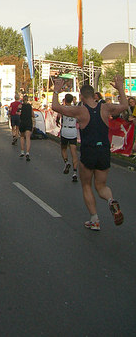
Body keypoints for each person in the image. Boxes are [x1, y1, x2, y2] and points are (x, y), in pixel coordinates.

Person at [52, 76, 128, 231]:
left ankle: (94, 219)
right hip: (104, 151)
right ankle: (111, 200)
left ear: (81, 96)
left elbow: (56, 107)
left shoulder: (80, 110)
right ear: (94, 95)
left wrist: (56, 90)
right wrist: (120, 87)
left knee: (86, 185)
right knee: (101, 186)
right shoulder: (105, 108)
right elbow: (125, 105)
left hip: (89, 151)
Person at [56, 93, 79, 182]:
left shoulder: (63, 108)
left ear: (65, 100)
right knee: (74, 152)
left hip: (65, 130)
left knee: (63, 148)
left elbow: (58, 117)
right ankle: (75, 172)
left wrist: (57, 122)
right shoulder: (75, 109)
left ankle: (66, 162)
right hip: (73, 130)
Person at [19, 95, 33, 161]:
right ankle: (27, 152)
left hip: (22, 122)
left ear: (22, 99)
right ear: (27, 99)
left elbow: (18, 113)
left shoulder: (20, 106)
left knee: (22, 136)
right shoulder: (30, 106)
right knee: (28, 138)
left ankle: (22, 151)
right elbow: (32, 114)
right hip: (28, 122)